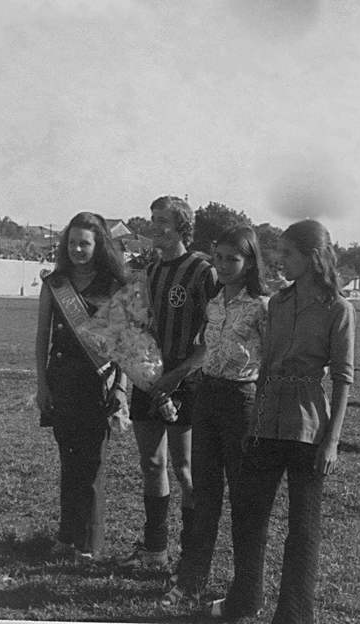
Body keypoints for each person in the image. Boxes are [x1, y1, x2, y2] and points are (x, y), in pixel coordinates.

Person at [210, 219, 356, 623]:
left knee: (302, 528)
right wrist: (254, 422)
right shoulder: (276, 303)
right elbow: (267, 367)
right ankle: (245, 599)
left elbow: (343, 379)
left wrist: (332, 441)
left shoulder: (339, 309)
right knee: (248, 514)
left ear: (311, 258)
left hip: (309, 428)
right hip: (266, 421)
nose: (278, 261)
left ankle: (293, 614)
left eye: (287, 254)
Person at [160, 225, 269, 606]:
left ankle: (243, 589)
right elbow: (205, 349)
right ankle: (191, 580)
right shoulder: (215, 301)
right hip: (206, 396)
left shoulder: (261, 307)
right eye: (218, 257)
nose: (223, 265)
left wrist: (259, 413)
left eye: (232, 259)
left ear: (250, 261)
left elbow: (268, 364)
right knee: (204, 496)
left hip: (241, 402)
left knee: (243, 501)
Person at [120, 196, 218, 569]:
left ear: (181, 226)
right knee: (152, 463)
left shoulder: (201, 271)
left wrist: (177, 374)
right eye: (152, 218)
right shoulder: (150, 270)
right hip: (149, 377)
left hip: (185, 381)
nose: (154, 225)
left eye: (162, 219)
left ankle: (190, 557)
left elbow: (214, 337)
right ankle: (156, 550)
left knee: (184, 469)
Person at [35, 212, 127, 562]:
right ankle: (65, 536)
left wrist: (120, 389)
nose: (77, 249)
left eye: (84, 243)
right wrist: (42, 384)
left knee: (93, 466)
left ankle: (89, 545)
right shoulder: (55, 283)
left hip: (97, 384)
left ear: (98, 245)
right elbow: (43, 335)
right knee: (69, 464)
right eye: (71, 242)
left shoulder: (113, 285)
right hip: (62, 382)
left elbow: (124, 344)